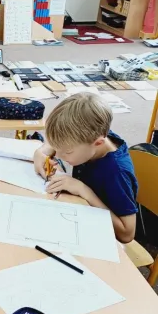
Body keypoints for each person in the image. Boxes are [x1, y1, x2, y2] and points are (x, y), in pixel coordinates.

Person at [33, 93, 137, 243]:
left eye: (67, 152)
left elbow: (127, 234)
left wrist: (84, 191)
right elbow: (57, 142)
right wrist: (41, 152)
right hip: (82, 214)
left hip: (102, 238)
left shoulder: (117, 173)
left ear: (98, 143)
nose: (58, 155)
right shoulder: (92, 135)